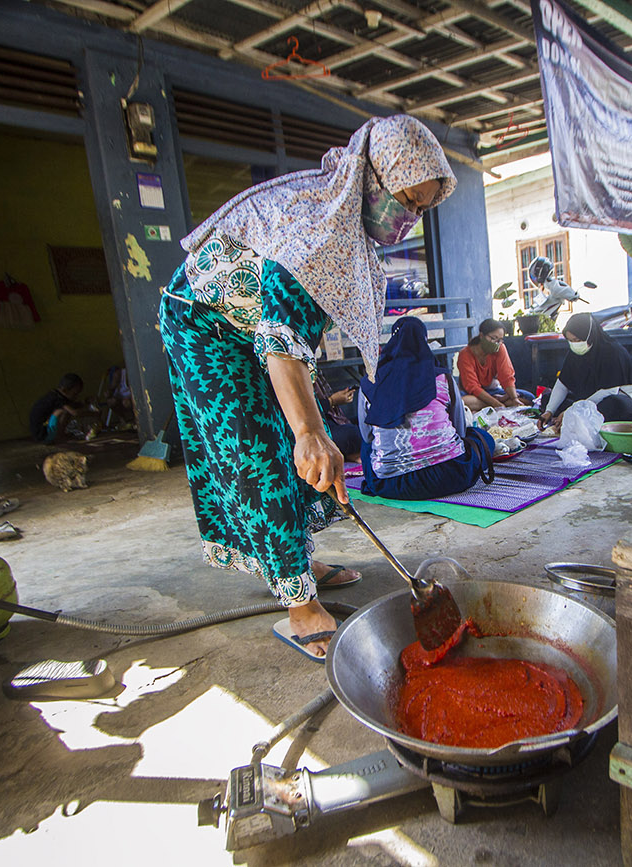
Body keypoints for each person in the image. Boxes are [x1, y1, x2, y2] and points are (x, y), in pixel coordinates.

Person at [158, 114, 456, 657]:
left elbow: (291, 335)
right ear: (374, 180)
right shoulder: (314, 230)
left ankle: (296, 558)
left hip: (255, 328)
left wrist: (311, 429)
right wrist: (308, 432)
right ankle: (298, 604)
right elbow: (279, 341)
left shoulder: (348, 233)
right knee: (262, 454)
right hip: (204, 326)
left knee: (302, 447)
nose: (410, 218)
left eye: (422, 208)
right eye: (407, 200)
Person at [357, 317, 495, 500]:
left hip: (390, 484)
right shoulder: (443, 378)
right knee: (483, 438)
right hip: (450, 475)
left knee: (367, 447)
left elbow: (367, 436)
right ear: (425, 342)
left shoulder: (369, 383)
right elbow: (460, 431)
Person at [539, 313, 632, 433]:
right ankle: (571, 418)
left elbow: (609, 391)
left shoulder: (612, 352)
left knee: (613, 405)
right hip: (589, 398)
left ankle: (575, 418)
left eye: (578, 340)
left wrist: (574, 410)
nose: (574, 344)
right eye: (570, 341)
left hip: (623, 401)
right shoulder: (575, 353)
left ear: (590, 336)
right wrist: (549, 411)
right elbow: (563, 383)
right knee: (548, 398)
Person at [456, 317, 534, 411]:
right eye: (493, 338)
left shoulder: (500, 348)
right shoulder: (465, 354)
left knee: (529, 397)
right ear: (481, 336)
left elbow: (506, 376)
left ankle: (498, 402)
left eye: (500, 340)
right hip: (473, 395)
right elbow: (473, 387)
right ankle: (499, 402)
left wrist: (514, 399)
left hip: (493, 392)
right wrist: (497, 403)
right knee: (462, 402)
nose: (497, 343)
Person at [28, 373, 92, 443]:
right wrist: (93, 414)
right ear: (65, 390)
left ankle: (59, 435)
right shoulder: (57, 398)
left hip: (42, 431)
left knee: (66, 409)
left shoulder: (56, 394)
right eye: (74, 394)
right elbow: (75, 413)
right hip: (42, 434)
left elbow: (73, 405)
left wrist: (84, 403)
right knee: (64, 411)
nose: (76, 397)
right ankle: (60, 436)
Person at [314, 372, 361, 462]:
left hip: (331, 420)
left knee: (366, 422)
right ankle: (350, 453)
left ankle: (351, 452)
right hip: (318, 429)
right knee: (352, 433)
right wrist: (332, 401)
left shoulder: (315, 373)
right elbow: (309, 412)